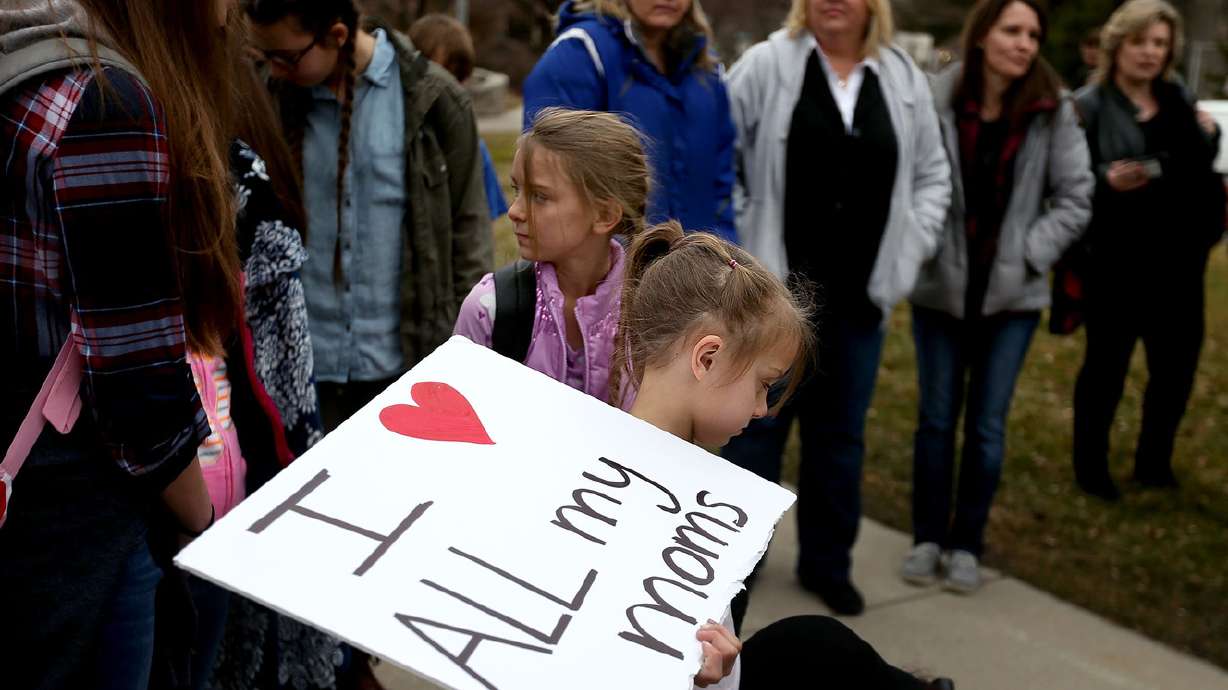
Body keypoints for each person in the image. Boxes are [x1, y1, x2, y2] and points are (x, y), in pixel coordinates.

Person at [0, 0, 238, 687]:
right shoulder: (103, 101)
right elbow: (135, 378)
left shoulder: (23, 66)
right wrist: (201, 512)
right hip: (78, 519)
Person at [616, 221, 940, 690]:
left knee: (819, 645)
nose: (763, 409)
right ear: (706, 359)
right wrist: (703, 678)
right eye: (763, 384)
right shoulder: (627, 488)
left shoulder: (679, 473)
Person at [723, 0, 951, 617]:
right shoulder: (767, 64)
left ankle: (828, 564)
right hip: (769, 302)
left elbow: (933, 176)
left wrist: (909, 253)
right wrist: (746, 243)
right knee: (754, 434)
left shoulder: (902, 77)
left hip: (858, 302)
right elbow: (727, 156)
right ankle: (733, 563)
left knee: (840, 440)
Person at [903, 0, 1093, 593]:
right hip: (941, 292)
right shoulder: (936, 99)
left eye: (1034, 33)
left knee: (987, 426)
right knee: (936, 421)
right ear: (983, 36)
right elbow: (910, 181)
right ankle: (927, 536)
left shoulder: (1051, 109)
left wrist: (1029, 255)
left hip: (1012, 299)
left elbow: (1075, 197)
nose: (1026, 43)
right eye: (1013, 30)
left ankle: (967, 544)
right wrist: (924, 245)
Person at [246, 0, 493, 435]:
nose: (276, 69)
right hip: (299, 371)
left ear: (336, 37)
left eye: (287, 57)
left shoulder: (436, 100)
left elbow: (469, 239)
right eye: (268, 58)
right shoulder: (270, 100)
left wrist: (463, 359)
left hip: (406, 368)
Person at [1071, 0, 1224, 500]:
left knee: (1176, 369)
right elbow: (1065, 180)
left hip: (1181, 262)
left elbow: (1194, 163)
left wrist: (1211, 132)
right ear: (1118, 44)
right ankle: (1091, 467)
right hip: (1117, 263)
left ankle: (1153, 462)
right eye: (1140, 41)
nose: (1150, 52)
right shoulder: (1089, 106)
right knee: (1106, 369)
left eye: (1159, 43)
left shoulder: (1178, 96)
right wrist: (1104, 179)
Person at [454, 108, 650, 405]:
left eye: (540, 196)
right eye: (517, 190)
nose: (515, 211)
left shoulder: (653, 315)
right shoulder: (491, 310)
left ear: (605, 214)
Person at [522, 0, 736, 241]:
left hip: (697, 266)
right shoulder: (581, 54)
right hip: (612, 270)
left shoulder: (706, 68)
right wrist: (614, 267)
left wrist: (722, 252)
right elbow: (548, 182)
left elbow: (723, 182)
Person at [408, 13, 510, 222]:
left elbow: (482, 228)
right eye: (441, 78)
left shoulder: (473, 149)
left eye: (458, 80)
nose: (449, 92)